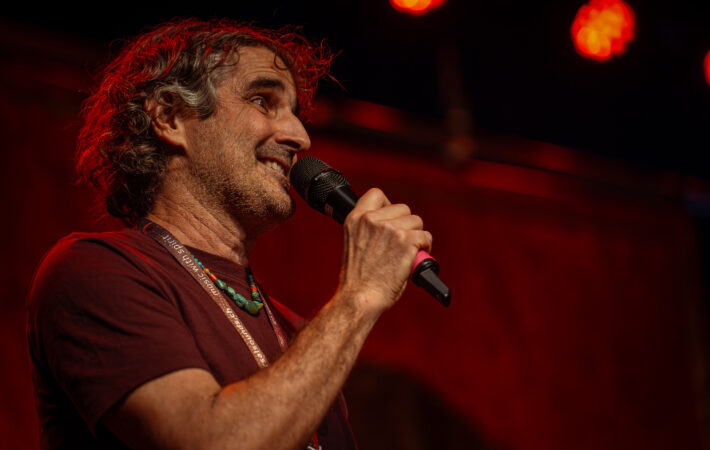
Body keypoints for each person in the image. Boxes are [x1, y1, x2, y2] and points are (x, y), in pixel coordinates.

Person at [27, 18, 432, 450]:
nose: (300, 137)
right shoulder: (95, 272)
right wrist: (359, 296)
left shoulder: (298, 332)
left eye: (296, 114)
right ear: (169, 116)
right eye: (262, 101)